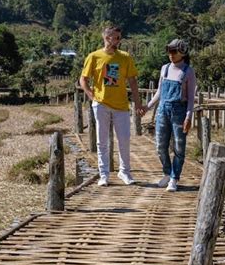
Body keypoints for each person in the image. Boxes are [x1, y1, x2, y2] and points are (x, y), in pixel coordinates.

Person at [80, 26, 146, 187]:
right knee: (102, 141)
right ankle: (104, 175)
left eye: (119, 38)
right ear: (106, 37)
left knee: (124, 139)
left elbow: (132, 81)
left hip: (121, 105)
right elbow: (83, 79)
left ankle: (125, 172)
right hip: (101, 104)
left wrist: (138, 103)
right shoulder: (94, 56)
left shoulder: (125, 57)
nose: (118, 41)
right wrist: (90, 95)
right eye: (115, 37)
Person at [146, 38, 196, 192]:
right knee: (160, 145)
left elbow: (191, 98)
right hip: (163, 109)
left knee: (179, 147)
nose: (171, 54)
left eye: (174, 51)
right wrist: (147, 107)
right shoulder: (165, 68)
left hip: (179, 111)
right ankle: (167, 172)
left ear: (183, 52)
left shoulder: (188, 71)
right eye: (169, 51)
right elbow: (160, 92)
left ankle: (174, 178)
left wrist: (189, 117)